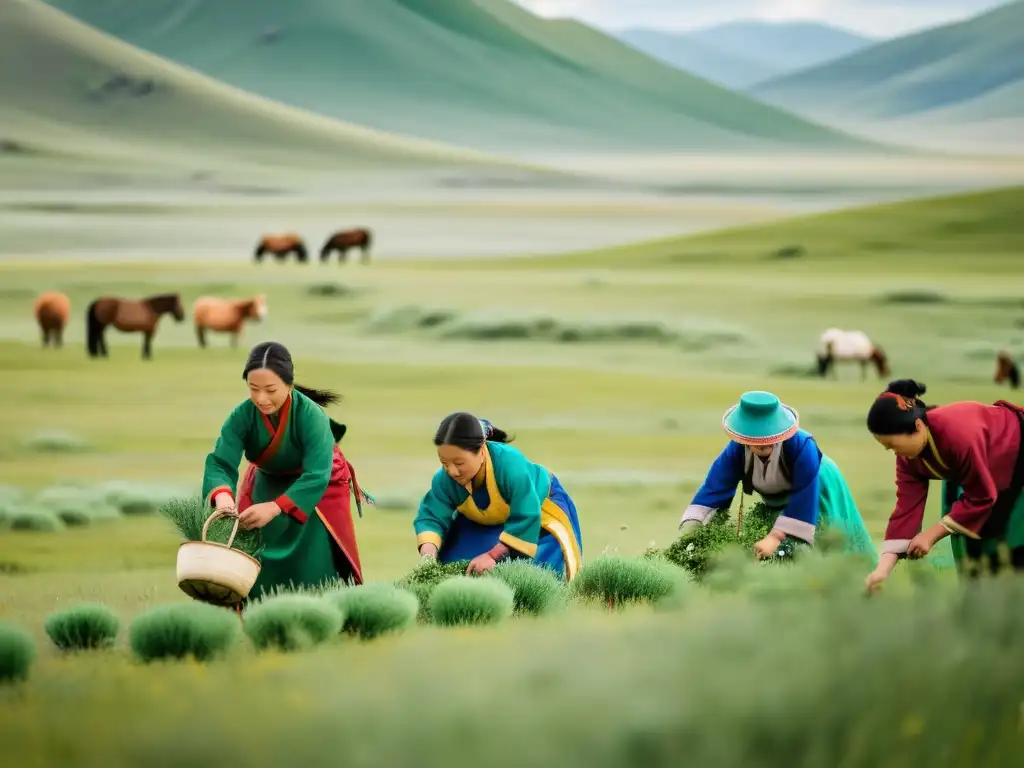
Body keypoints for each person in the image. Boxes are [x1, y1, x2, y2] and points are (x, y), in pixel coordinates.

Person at [202, 341, 373, 601]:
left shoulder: (311, 416)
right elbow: (220, 462)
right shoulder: (241, 416)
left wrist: (274, 507)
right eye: (253, 389)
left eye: (270, 390)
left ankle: (322, 611)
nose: (261, 398)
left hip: (318, 487)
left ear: (289, 385)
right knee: (255, 550)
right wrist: (223, 498)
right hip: (267, 479)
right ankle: (259, 612)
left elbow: (318, 473)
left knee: (315, 558)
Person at [863, 379, 1024, 591]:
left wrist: (931, 535)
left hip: (1014, 459)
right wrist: (881, 572)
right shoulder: (907, 457)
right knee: (966, 547)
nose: (893, 452)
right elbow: (906, 510)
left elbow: (981, 496)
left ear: (918, 427)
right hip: (975, 479)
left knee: (1007, 543)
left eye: (892, 444)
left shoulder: (959, 435)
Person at [679, 391, 877, 561]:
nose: (762, 443)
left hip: (817, 485)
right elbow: (714, 488)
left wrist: (776, 536)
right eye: (754, 439)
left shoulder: (803, 446)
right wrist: (693, 533)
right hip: (777, 502)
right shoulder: (736, 451)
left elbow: (803, 499)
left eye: (766, 436)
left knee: (830, 537)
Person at [414, 412, 584, 580]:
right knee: (454, 567)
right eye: (445, 463)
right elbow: (432, 517)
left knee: (534, 578)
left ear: (481, 451)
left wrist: (493, 556)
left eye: (459, 463)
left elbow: (526, 514)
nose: (452, 471)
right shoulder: (444, 479)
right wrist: (428, 556)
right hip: (485, 518)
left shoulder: (511, 466)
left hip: (538, 513)